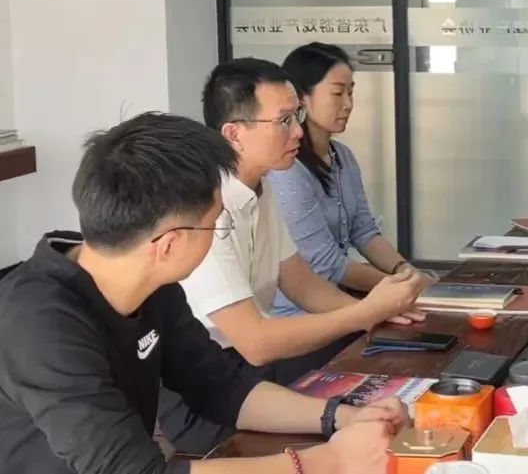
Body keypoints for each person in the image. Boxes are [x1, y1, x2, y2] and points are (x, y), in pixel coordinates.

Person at [0, 113, 406, 474]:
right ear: (170, 244)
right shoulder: (39, 326)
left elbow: (221, 386)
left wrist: (343, 416)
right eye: (215, 224)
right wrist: (328, 462)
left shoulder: (153, 284)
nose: (216, 235)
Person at [160, 58, 424, 454]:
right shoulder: (204, 208)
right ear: (234, 134)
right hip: (208, 394)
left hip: (252, 370)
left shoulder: (261, 186)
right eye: (283, 120)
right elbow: (256, 343)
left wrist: (376, 311)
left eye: (296, 116)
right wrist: (365, 312)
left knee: (389, 358)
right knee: (368, 402)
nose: (299, 130)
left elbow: (302, 283)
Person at [270, 43, 425, 315]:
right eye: (337, 93)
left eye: (351, 92)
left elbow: (364, 231)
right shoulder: (287, 168)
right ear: (301, 98)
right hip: (297, 315)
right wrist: (405, 287)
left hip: (342, 303)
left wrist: (405, 270)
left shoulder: (343, 156)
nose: (348, 104)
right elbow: (327, 263)